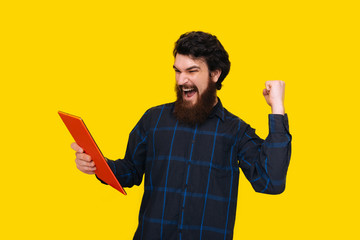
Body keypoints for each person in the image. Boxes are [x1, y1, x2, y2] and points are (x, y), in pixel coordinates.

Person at [71, 31, 292, 240]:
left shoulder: (235, 130)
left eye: (192, 71)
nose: (181, 80)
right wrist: (97, 164)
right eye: (177, 70)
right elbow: (130, 172)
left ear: (215, 74)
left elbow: (271, 182)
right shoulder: (153, 119)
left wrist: (277, 108)